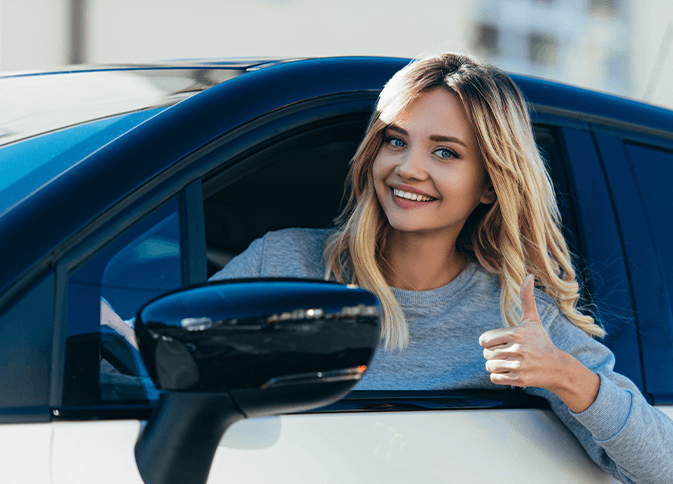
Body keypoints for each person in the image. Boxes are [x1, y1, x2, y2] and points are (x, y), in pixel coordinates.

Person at [211, 53, 673, 483]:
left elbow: (663, 466)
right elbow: (154, 358)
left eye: (445, 152)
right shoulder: (282, 263)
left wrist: (564, 374)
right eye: (396, 141)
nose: (408, 168)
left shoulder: (519, 314)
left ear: (490, 186)